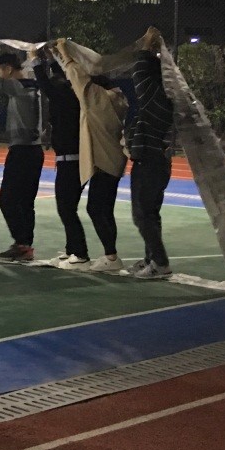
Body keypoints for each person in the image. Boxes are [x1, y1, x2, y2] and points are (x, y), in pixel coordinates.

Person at [54, 38, 129, 272]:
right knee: (103, 208)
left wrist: (65, 54)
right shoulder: (117, 98)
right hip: (112, 160)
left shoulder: (98, 100)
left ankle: (111, 257)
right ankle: (111, 256)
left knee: (96, 209)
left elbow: (79, 80)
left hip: (105, 162)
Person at [0, 39, 43, 261]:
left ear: (7, 69)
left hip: (22, 151)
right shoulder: (34, 86)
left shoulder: (18, 87)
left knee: (7, 199)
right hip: (35, 151)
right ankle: (25, 245)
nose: (0, 75)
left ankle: (21, 243)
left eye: (0, 70)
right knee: (26, 202)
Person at [33, 47, 89, 267]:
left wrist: (36, 62)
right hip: (69, 160)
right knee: (67, 208)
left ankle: (80, 253)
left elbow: (46, 85)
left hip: (70, 161)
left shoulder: (63, 98)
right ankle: (71, 249)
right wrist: (51, 60)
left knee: (66, 208)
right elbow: (57, 81)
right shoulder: (71, 95)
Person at [126, 26, 174, 278]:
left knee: (142, 214)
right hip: (157, 160)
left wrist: (146, 46)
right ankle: (152, 259)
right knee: (150, 213)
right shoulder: (166, 96)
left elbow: (140, 73)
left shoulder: (157, 98)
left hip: (150, 161)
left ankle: (160, 262)